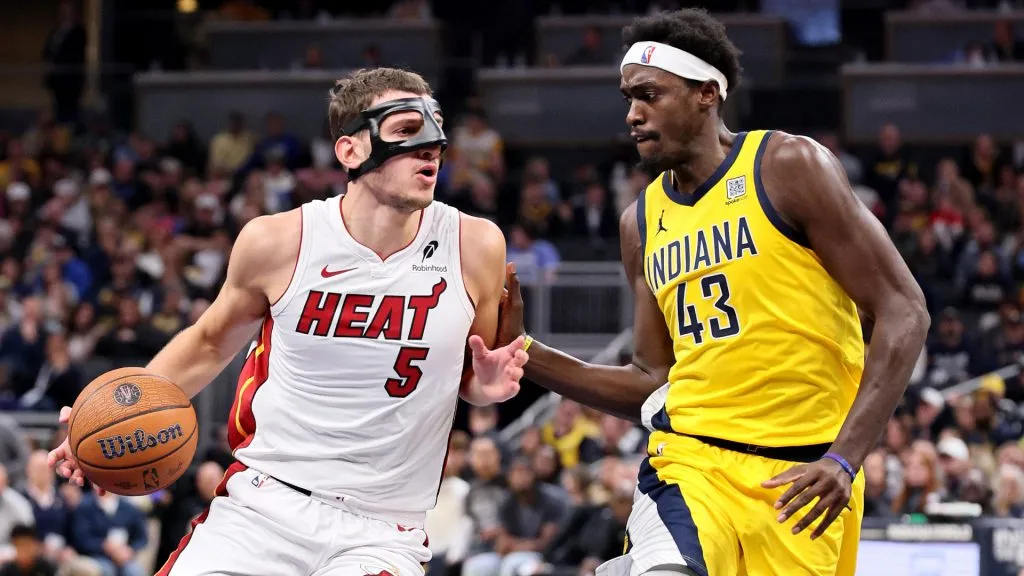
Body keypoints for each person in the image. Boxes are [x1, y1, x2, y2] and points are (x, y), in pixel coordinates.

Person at [495, 9, 929, 576]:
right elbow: (653, 380)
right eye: (628, 97)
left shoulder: (786, 166)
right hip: (690, 461)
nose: (632, 114)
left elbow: (905, 311)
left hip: (800, 480)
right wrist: (524, 352)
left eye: (649, 95)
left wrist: (845, 458)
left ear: (706, 94)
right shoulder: (641, 222)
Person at [47, 67, 529, 576]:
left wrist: (486, 386)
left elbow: (471, 380)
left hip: (382, 529)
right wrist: (101, 424)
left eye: (435, 127)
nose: (432, 144)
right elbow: (209, 343)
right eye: (407, 130)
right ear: (351, 151)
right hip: (264, 504)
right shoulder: (281, 241)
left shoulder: (475, 244)